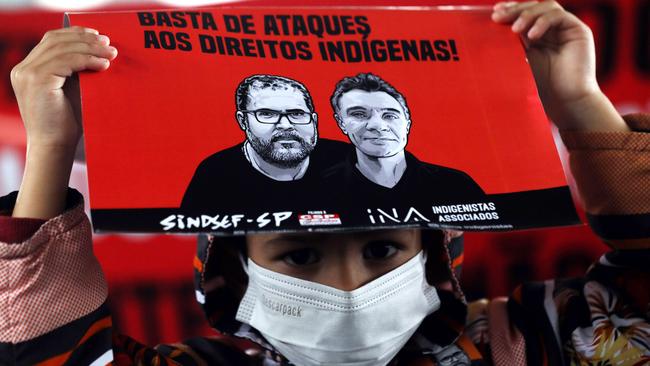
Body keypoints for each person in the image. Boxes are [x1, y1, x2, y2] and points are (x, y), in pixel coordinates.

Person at [2, 2, 648, 366]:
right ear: (234, 264)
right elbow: (44, 353)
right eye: (300, 254)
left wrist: (575, 101)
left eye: (383, 250)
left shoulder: (531, 344)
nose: (350, 291)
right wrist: (52, 145)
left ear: (436, 253)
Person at [181, 74, 348, 212]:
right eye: (267, 114)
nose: (285, 125)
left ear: (313, 120)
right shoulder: (215, 175)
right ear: (243, 121)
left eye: (297, 113)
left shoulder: (348, 160)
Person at [323, 72, 485, 209]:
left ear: (407, 123)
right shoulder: (322, 189)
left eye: (390, 115)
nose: (378, 125)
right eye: (359, 114)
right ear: (341, 123)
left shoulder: (456, 185)